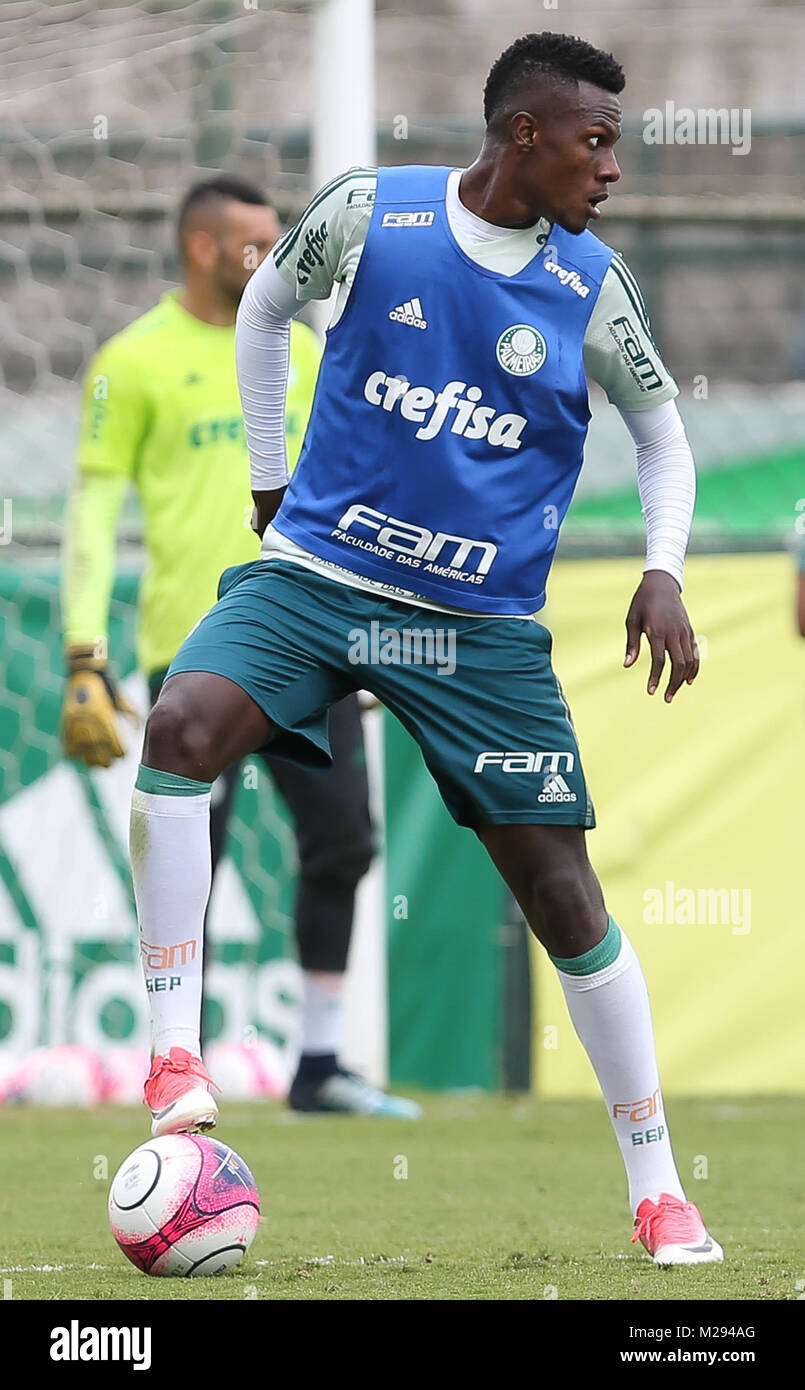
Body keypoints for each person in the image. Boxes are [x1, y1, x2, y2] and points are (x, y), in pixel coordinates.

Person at [129, 33, 723, 1264]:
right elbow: (265, 308)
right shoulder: (371, 212)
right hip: (321, 573)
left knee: (564, 900)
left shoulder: (592, 287)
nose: (611, 169)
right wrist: (267, 476)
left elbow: (662, 441)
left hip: (476, 629)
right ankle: (174, 1056)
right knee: (181, 727)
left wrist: (662, 569)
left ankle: (659, 1187)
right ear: (523, 134)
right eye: (595, 141)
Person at [61, 174, 419, 1118]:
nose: (278, 256)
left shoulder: (302, 352)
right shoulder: (129, 362)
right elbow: (93, 515)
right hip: (196, 655)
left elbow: (361, 480)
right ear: (203, 247)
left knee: (344, 840)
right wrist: (82, 653)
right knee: (193, 863)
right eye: (259, 242)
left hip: (316, 638)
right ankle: (184, 1067)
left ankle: (319, 1064)